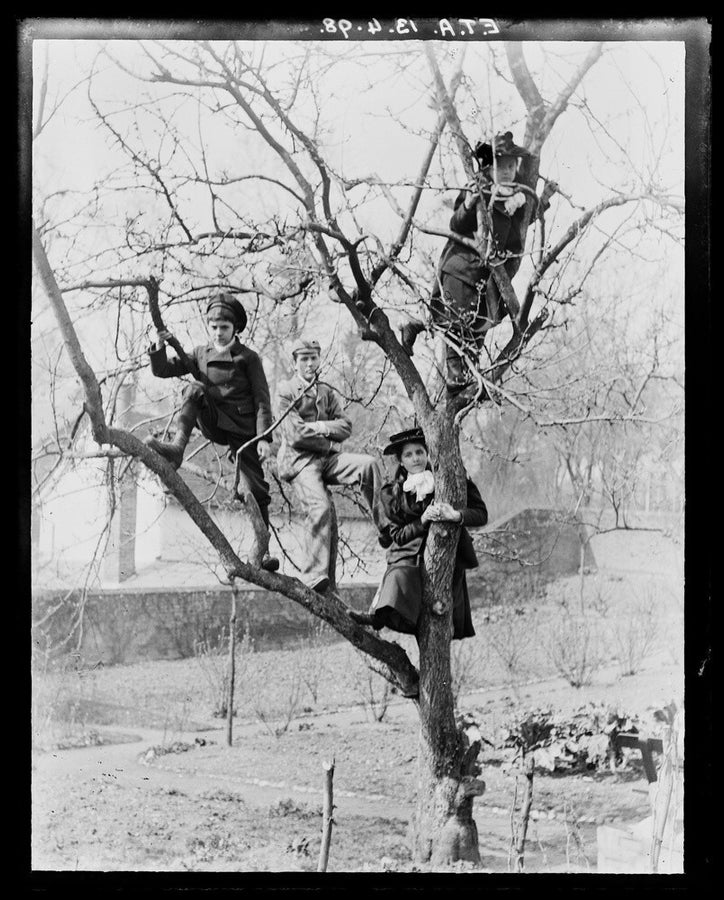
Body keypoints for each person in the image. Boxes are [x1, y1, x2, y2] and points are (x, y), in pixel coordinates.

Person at [145, 292, 279, 571]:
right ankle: (177, 447)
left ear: (236, 329)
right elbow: (163, 371)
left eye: (225, 328)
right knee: (193, 389)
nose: (218, 333)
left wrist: (264, 438)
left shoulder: (248, 358)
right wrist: (159, 347)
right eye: (214, 327)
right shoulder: (200, 353)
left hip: (243, 430)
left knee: (253, 489)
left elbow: (262, 399)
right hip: (215, 421)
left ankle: (263, 553)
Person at [400, 131, 540, 391]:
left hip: (487, 275)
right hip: (463, 267)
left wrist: (525, 200)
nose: (508, 172)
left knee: (478, 320)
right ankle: (455, 371)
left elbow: (521, 223)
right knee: (456, 319)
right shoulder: (478, 187)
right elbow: (456, 222)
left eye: (512, 166)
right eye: (502, 166)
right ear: (489, 166)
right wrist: (473, 201)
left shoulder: (514, 195)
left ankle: (462, 365)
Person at [349, 427, 488, 639]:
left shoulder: (450, 481)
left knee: (441, 615)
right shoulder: (392, 493)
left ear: (427, 453)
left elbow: (481, 514)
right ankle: (379, 615)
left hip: (447, 558)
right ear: (401, 461)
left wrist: (456, 515)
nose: (415, 459)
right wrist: (422, 521)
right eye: (408, 454)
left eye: (420, 452)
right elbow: (397, 536)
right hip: (409, 558)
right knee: (398, 577)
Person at [276, 338, 386, 593]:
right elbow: (295, 436)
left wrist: (320, 426)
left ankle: (386, 527)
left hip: (326, 459)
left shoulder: (325, 391)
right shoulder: (285, 391)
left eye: (314, 357)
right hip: (300, 462)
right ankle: (313, 575)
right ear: (295, 363)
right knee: (321, 506)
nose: (310, 363)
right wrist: (326, 437)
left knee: (368, 465)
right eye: (304, 358)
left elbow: (346, 426)